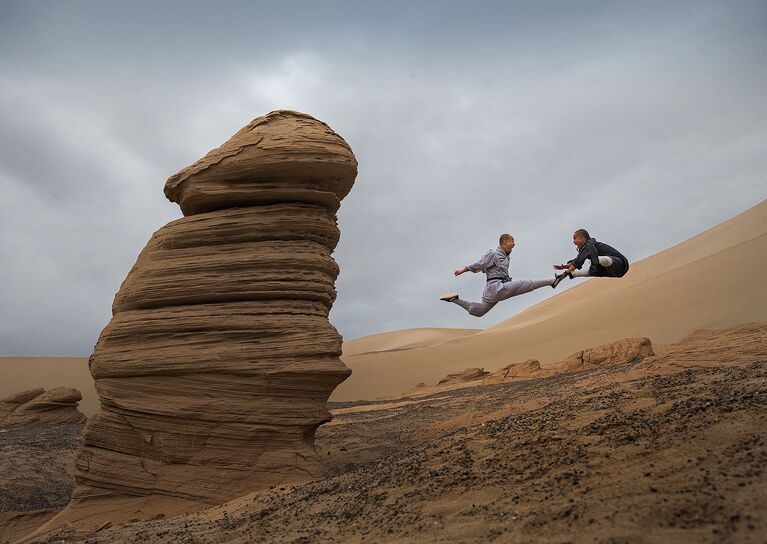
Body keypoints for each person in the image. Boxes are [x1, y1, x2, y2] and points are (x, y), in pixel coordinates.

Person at [440, 233, 557, 317]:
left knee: (479, 311)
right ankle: (551, 281)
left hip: (498, 288)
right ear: (505, 242)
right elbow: (480, 263)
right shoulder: (494, 253)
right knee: (523, 284)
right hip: (496, 288)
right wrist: (463, 270)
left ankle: (454, 299)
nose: (514, 244)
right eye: (512, 241)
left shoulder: (506, 255)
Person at [552, 229, 629, 287]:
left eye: (575, 238)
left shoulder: (589, 245)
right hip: (612, 272)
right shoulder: (584, 250)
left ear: (582, 238)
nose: (574, 242)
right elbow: (575, 262)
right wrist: (564, 267)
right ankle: (574, 273)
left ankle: (597, 260)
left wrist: (565, 273)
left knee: (597, 262)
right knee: (594, 270)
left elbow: (578, 262)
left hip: (621, 264)